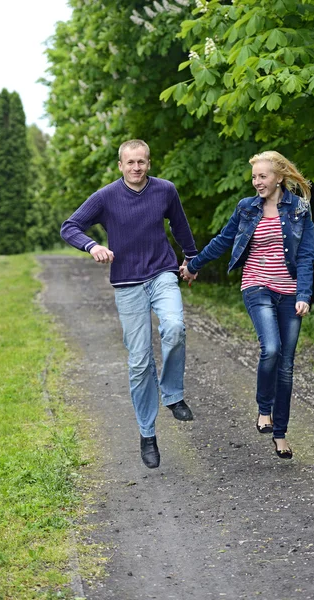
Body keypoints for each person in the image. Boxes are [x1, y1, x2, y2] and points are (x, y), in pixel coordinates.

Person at [61, 139, 198, 469]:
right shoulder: (106, 197)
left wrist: (192, 259)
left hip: (162, 273)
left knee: (175, 327)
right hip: (127, 283)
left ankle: (173, 394)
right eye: (130, 162)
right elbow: (70, 226)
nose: (136, 167)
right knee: (139, 361)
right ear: (120, 166)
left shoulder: (165, 191)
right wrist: (92, 246)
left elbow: (180, 226)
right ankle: (147, 433)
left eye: (142, 162)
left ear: (149, 163)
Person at [180, 151, 314, 459]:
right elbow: (223, 240)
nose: (257, 182)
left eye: (263, 176)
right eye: (254, 177)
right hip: (256, 286)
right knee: (270, 348)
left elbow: (306, 255)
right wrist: (194, 264)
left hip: (290, 292)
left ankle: (280, 434)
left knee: (286, 365)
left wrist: (304, 294)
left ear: (279, 177)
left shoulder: (299, 209)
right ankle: (263, 411)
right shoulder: (246, 208)